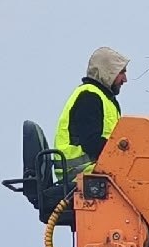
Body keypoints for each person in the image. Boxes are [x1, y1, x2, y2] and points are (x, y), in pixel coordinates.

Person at [52, 46, 129, 177]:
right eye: (121, 73)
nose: (125, 79)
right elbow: (92, 143)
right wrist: (126, 153)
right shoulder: (89, 97)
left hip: (94, 172)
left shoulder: (106, 100)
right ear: (108, 72)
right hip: (81, 172)